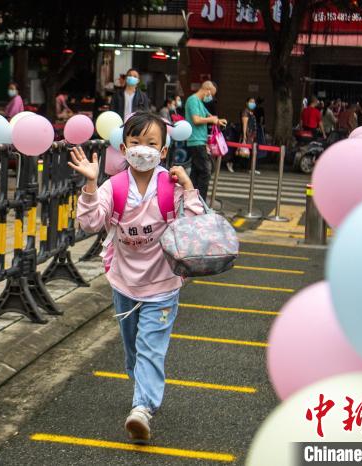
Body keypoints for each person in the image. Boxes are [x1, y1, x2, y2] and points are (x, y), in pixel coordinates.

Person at [71, 112, 204, 443]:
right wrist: (89, 184)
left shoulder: (169, 186)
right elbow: (89, 223)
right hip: (124, 282)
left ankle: (142, 408)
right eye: (135, 142)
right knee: (133, 349)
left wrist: (188, 188)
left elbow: (195, 224)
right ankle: (141, 379)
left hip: (163, 284)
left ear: (163, 151)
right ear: (123, 146)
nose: (142, 149)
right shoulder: (112, 186)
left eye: (151, 143)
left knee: (150, 347)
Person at [185, 81, 227, 200]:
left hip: (200, 140)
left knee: (197, 171)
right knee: (205, 171)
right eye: (211, 94)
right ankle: (200, 200)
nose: (211, 97)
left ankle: (191, 197)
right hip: (196, 140)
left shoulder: (199, 102)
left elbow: (210, 117)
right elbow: (196, 120)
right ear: (207, 89)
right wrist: (212, 120)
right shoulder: (193, 100)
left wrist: (218, 121)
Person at [227, 97, 258, 174]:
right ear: (247, 103)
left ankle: (251, 168)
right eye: (251, 102)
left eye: (254, 102)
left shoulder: (251, 112)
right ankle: (230, 162)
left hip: (251, 135)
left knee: (249, 151)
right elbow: (245, 124)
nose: (253, 103)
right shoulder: (245, 112)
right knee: (240, 151)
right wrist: (244, 136)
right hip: (246, 134)